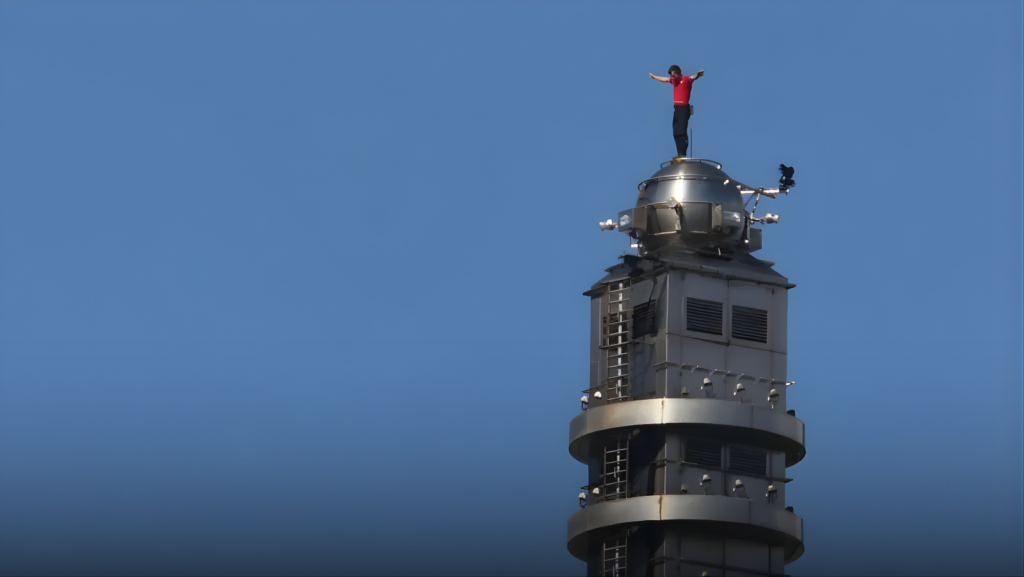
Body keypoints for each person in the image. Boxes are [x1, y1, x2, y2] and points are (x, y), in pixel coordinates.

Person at [649, 65, 704, 157]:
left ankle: (683, 153)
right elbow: (664, 79)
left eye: (673, 75)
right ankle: (680, 153)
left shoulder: (685, 79)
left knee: (681, 129)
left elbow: (693, 77)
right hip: (677, 109)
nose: (672, 77)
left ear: (678, 72)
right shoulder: (674, 81)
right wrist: (654, 77)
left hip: (683, 107)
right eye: (671, 75)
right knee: (676, 130)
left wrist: (698, 75)